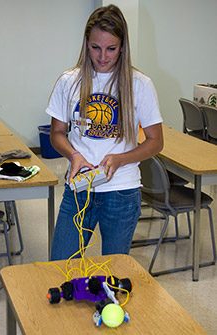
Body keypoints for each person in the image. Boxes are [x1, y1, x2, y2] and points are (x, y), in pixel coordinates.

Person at [46, 4, 163, 261]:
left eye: (111, 48)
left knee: (114, 273)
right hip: (79, 187)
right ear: (86, 43)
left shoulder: (139, 84)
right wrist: (74, 155)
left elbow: (155, 142)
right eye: (95, 47)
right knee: (59, 267)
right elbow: (56, 132)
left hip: (122, 191)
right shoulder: (69, 81)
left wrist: (121, 158)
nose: (102, 56)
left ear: (122, 46)